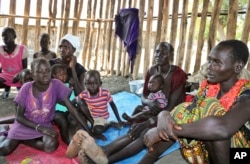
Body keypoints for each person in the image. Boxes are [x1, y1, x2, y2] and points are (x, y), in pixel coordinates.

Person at [65, 42, 187, 163]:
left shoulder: (178, 74)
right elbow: (144, 96)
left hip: (171, 115)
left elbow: (170, 108)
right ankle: (105, 150)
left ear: (171, 55)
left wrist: (149, 121)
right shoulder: (152, 70)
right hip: (152, 111)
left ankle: (107, 159)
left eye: (164, 52)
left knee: (144, 133)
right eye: (157, 51)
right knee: (134, 129)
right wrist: (149, 103)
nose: (159, 55)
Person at [143, 39, 250, 164]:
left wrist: (169, 130)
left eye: (217, 62)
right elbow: (186, 113)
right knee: (183, 112)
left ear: (237, 67)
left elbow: (222, 128)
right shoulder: (206, 89)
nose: (209, 66)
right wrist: (163, 116)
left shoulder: (246, 95)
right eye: (209, 60)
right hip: (210, 152)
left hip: (240, 155)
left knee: (210, 111)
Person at [0, 58, 89, 155]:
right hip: (25, 124)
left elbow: (72, 109)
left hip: (44, 123)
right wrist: (41, 128)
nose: (45, 74)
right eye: (40, 71)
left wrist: (89, 129)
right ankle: (3, 129)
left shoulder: (56, 85)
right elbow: (19, 117)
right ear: (33, 75)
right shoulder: (26, 88)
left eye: (47, 70)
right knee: (4, 149)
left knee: (51, 146)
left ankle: (23, 140)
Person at [50, 34, 87, 144]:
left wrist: (73, 70)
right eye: (61, 47)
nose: (62, 49)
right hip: (55, 105)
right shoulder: (51, 64)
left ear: (74, 50)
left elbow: (81, 94)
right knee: (62, 120)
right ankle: (69, 142)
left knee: (74, 119)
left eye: (66, 47)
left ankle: (75, 142)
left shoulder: (80, 69)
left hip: (71, 105)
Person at [75, 70, 124, 140]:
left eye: (95, 83)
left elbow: (113, 105)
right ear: (85, 84)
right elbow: (75, 101)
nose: (92, 86)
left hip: (101, 117)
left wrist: (119, 120)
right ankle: (92, 125)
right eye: (89, 83)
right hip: (90, 116)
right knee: (79, 102)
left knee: (98, 130)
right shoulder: (84, 94)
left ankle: (109, 124)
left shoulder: (105, 93)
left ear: (100, 84)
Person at [0, 27, 29, 99]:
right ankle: (7, 90)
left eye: (7, 35)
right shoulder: (0, 49)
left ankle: (21, 91)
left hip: (18, 76)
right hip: (5, 76)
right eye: (3, 36)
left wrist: (19, 75)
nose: (4, 38)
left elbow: (25, 68)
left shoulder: (22, 49)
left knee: (27, 77)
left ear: (14, 36)